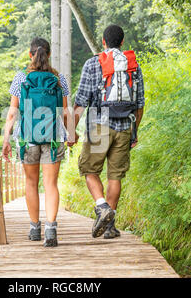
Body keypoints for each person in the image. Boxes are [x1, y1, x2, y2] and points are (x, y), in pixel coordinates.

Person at [69, 25, 145, 239]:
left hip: (98, 123)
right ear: (122, 42)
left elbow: (81, 101)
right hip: (124, 126)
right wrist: (134, 131)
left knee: (89, 169)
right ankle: (109, 227)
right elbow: (140, 104)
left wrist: (71, 131)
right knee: (115, 176)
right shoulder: (133, 66)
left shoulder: (93, 63)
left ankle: (102, 207)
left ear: (103, 42)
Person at [2, 37, 71, 247]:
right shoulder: (59, 78)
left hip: (27, 137)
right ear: (49, 55)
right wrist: (70, 134)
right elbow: (65, 111)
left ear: (30, 55)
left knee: (31, 183)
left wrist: (6, 138)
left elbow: (13, 112)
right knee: (51, 184)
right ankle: (51, 229)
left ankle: (34, 228)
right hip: (53, 137)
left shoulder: (21, 77)